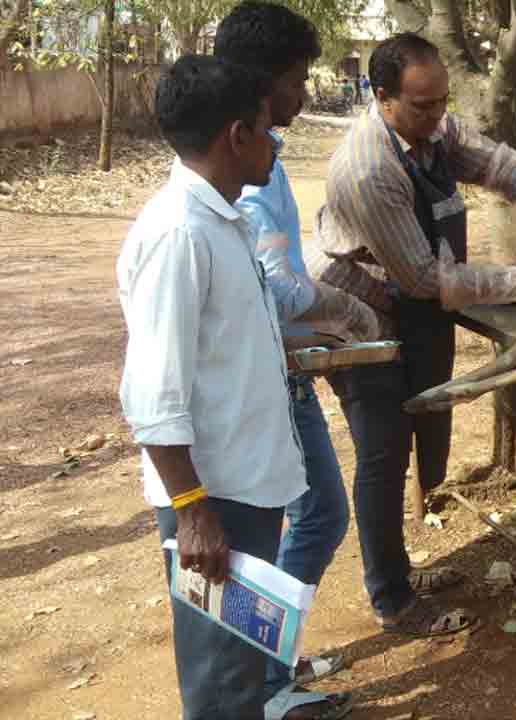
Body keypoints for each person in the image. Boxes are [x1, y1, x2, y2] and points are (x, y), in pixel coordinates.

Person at [308, 32, 516, 636]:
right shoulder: (368, 171)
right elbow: (423, 279)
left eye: (443, 101)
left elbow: (503, 169)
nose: (438, 116)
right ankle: (392, 597)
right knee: (383, 453)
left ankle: (400, 571)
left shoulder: (433, 129)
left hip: (413, 299)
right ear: (383, 97)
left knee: (417, 431)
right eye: (423, 106)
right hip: (362, 314)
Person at [117, 54, 307, 720]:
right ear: (237, 135)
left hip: (244, 488)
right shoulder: (179, 233)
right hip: (213, 499)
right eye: (268, 130)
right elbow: (152, 390)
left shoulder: (221, 220)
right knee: (222, 685)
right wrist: (193, 508)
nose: (275, 145)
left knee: (240, 676)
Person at [210, 4, 360, 718]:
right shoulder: (248, 164)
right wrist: (344, 306)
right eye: (298, 79)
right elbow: (276, 289)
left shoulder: (249, 154)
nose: (305, 93)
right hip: (267, 387)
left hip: (280, 370)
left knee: (305, 518)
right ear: (264, 82)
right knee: (316, 516)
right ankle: (266, 678)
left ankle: (266, 668)